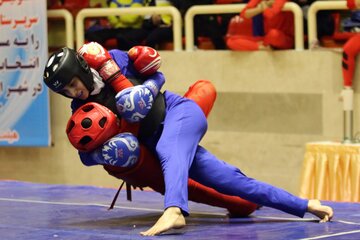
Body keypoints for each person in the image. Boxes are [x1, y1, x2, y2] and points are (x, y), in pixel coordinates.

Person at [44, 42, 333, 236]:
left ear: (81, 70)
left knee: (171, 148)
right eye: (66, 91)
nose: (73, 92)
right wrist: (98, 155)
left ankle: (174, 210)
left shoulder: (114, 60)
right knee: (234, 181)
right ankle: (305, 205)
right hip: (158, 142)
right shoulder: (81, 112)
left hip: (178, 112)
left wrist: (147, 89)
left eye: (73, 84)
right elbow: (83, 153)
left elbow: (158, 75)